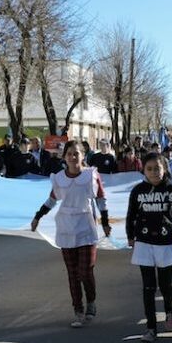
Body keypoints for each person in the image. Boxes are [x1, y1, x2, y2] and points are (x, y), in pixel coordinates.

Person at [30, 140, 112, 328]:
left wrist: (105, 223)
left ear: (83, 155)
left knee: (85, 270)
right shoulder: (59, 178)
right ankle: (78, 309)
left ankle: (91, 301)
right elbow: (51, 201)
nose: (73, 157)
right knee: (73, 273)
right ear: (64, 157)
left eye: (76, 153)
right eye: (69, 154)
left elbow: (101, 199)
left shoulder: (91, 175)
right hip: (66, 229)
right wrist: (37, 217)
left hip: (86, 227)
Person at [127, 152, 172, 343]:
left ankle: (169, 308)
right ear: (143, 170)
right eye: (149, 169)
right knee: (148, 287)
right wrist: (130, 235)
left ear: (165, 168)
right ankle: (151, 327)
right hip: (144, 243)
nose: (154, 172)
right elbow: (131, 215)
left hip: (165, 244)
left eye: (157, 168)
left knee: (165, 285)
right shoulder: (138, 191)